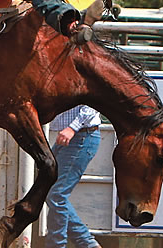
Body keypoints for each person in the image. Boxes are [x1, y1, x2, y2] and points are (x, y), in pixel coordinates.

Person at [45, 105, 102, 248]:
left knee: (56, 194)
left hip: (81, 136)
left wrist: (72, 128)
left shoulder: (87, 81)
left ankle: (59, 245)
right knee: (52, 193)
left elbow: (92, 103)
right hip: (74, 137)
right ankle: (87, 243)